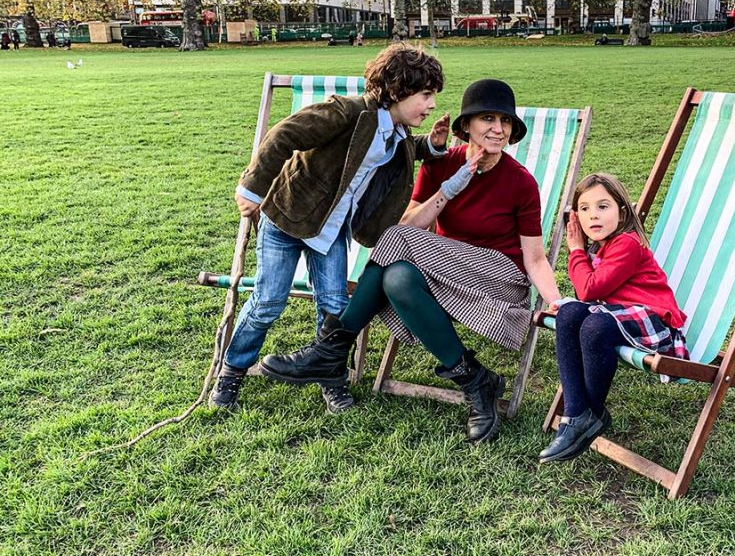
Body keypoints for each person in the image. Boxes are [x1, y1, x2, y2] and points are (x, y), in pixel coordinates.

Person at [261, 79, 563, 444]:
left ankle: (331, 349)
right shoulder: (441, 164)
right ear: (466, 126)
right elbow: (410, 226)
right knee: (397, 278)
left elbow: (534, 257)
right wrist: (452, 187)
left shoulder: (520, 182)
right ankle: (476, 380)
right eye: (487, 118)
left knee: (394, 238)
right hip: (444, 273)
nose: (498, 129)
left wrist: (555, 300)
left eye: (506, 121)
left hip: (498, 278)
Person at [211, 44, 451, 415]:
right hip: (287, 218)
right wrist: (252, 188)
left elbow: (391, 150)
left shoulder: (398, 131)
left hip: (330, 229)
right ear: (397, 90)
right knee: (268, 302)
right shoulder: (347, 112)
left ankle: (331, 376)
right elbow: (285, 134)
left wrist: (431, 146)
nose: (432, 104)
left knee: (335, 306)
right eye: (425, 95)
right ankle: (232, 371)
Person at [539, 174, 688, 463]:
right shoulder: (601, 247)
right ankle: (575, 414)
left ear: (622, 212)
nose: (593, 215)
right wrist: (583, 255)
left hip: (654, 324)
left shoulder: (627, 244)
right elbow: (587, 296)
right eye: (584, 208)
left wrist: (576, 250)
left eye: (603, 206)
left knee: (594, 325)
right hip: (619, 318)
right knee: (569, 314)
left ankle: (591, 412)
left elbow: (588, 289)